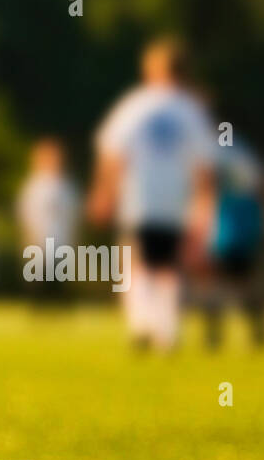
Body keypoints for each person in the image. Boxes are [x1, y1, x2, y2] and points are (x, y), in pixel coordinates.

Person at [86, 36, 216, 351]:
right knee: (169, 267)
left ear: (150, 71)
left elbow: (112, 152)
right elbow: (204, 165)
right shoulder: (192, 110)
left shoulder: (135, 105)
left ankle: (142, 324)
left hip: (139, 199)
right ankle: (166, 331)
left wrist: (103, 192)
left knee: (135, 262)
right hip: (175, 201)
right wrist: (204, 205)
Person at [202, 134, 264, 349]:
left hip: (226, 227)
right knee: (240, 281)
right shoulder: (243, 152)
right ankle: (256, 332)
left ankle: (215, 336)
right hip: (241, 227)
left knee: (216, 282)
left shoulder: (215, 153)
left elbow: (206, 187)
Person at [17, 137, 80, 304]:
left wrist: (72, 241)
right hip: (40, 242)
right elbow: (28, 215)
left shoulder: (66, 187)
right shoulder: (35, 186)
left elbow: (72, 215)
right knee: (39, 283)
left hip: (61, 242)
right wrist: (30, 239)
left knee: (58, 283)